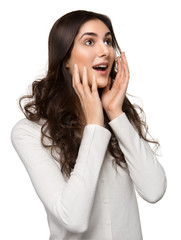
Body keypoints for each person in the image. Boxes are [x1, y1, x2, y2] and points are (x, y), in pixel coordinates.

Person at [11, 10, 167, 240]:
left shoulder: (118, 117)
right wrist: (94, 126)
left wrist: (115, 114)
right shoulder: (29, 132)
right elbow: (73, 218)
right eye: (89, 41)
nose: (105, 50)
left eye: (108, 41)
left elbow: (154, 191)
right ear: (65, 58)